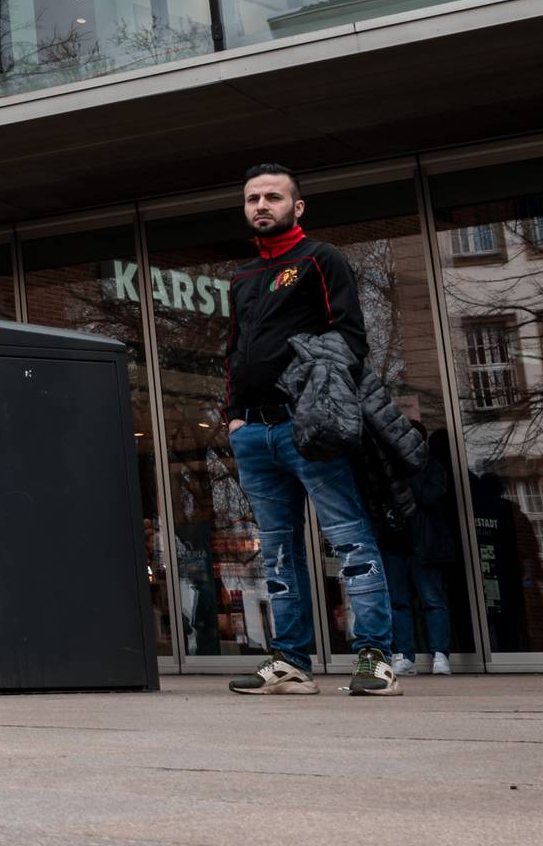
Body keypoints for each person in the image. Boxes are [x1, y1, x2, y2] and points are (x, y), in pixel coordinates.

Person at [220, 164, 401, 698]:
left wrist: (309, 395)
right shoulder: (242, 278)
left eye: (273, 197)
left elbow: (350, 338)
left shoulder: (322, 259)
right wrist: (233, 416)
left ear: (296, 207)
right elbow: (234, 352)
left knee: (349, 539)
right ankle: (290, 663)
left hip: (309, 428)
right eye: (253, 198)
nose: (261, 205)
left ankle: (375, 657)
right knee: (277, 551)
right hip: (253, 434)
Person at [383, 430, 460, 675]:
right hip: (394, 544)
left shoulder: (432, 467)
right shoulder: (387, 467)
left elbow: (430, 497)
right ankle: (404, 656)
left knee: (433, 601)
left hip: (424, 545)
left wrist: (410, 472)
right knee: (398, 602)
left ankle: (440, 654)